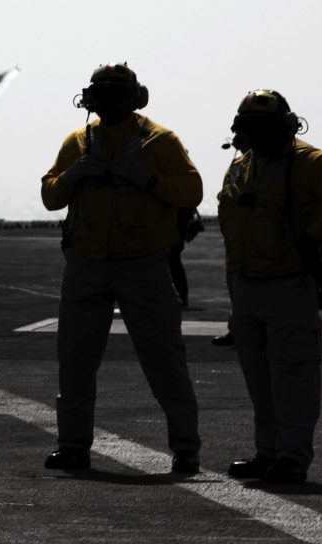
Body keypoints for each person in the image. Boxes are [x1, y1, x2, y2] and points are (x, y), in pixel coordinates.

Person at [41, 63, 203, 473]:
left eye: (115, 93)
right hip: (86, 264)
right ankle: (73, 447)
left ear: (134, 98)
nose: (107, 101)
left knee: (164, 360)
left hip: (143, 265)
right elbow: (50, 195)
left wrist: (148, 180)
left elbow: (193, 190)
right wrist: (75, 175)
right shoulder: (78, 143)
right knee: (75, 362)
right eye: (103, 93)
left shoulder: (160, 142)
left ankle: (186, 449)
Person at [218, 89, 322, 483]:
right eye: (250, 128)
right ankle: (268, 452)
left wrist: (310, 237)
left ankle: (292, 456)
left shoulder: (310, 162)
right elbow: (234, 231)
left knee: (293, 375)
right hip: (246, 287)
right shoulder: (242, 167)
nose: (256, 136)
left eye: (262, 127)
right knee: (259, 378)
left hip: (288, 285)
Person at [168, 207, 203, 308]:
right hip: (177, 228)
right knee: (174, 263)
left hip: (174, 229)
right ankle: (181, 297)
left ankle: (181, 297)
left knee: (173, 263)